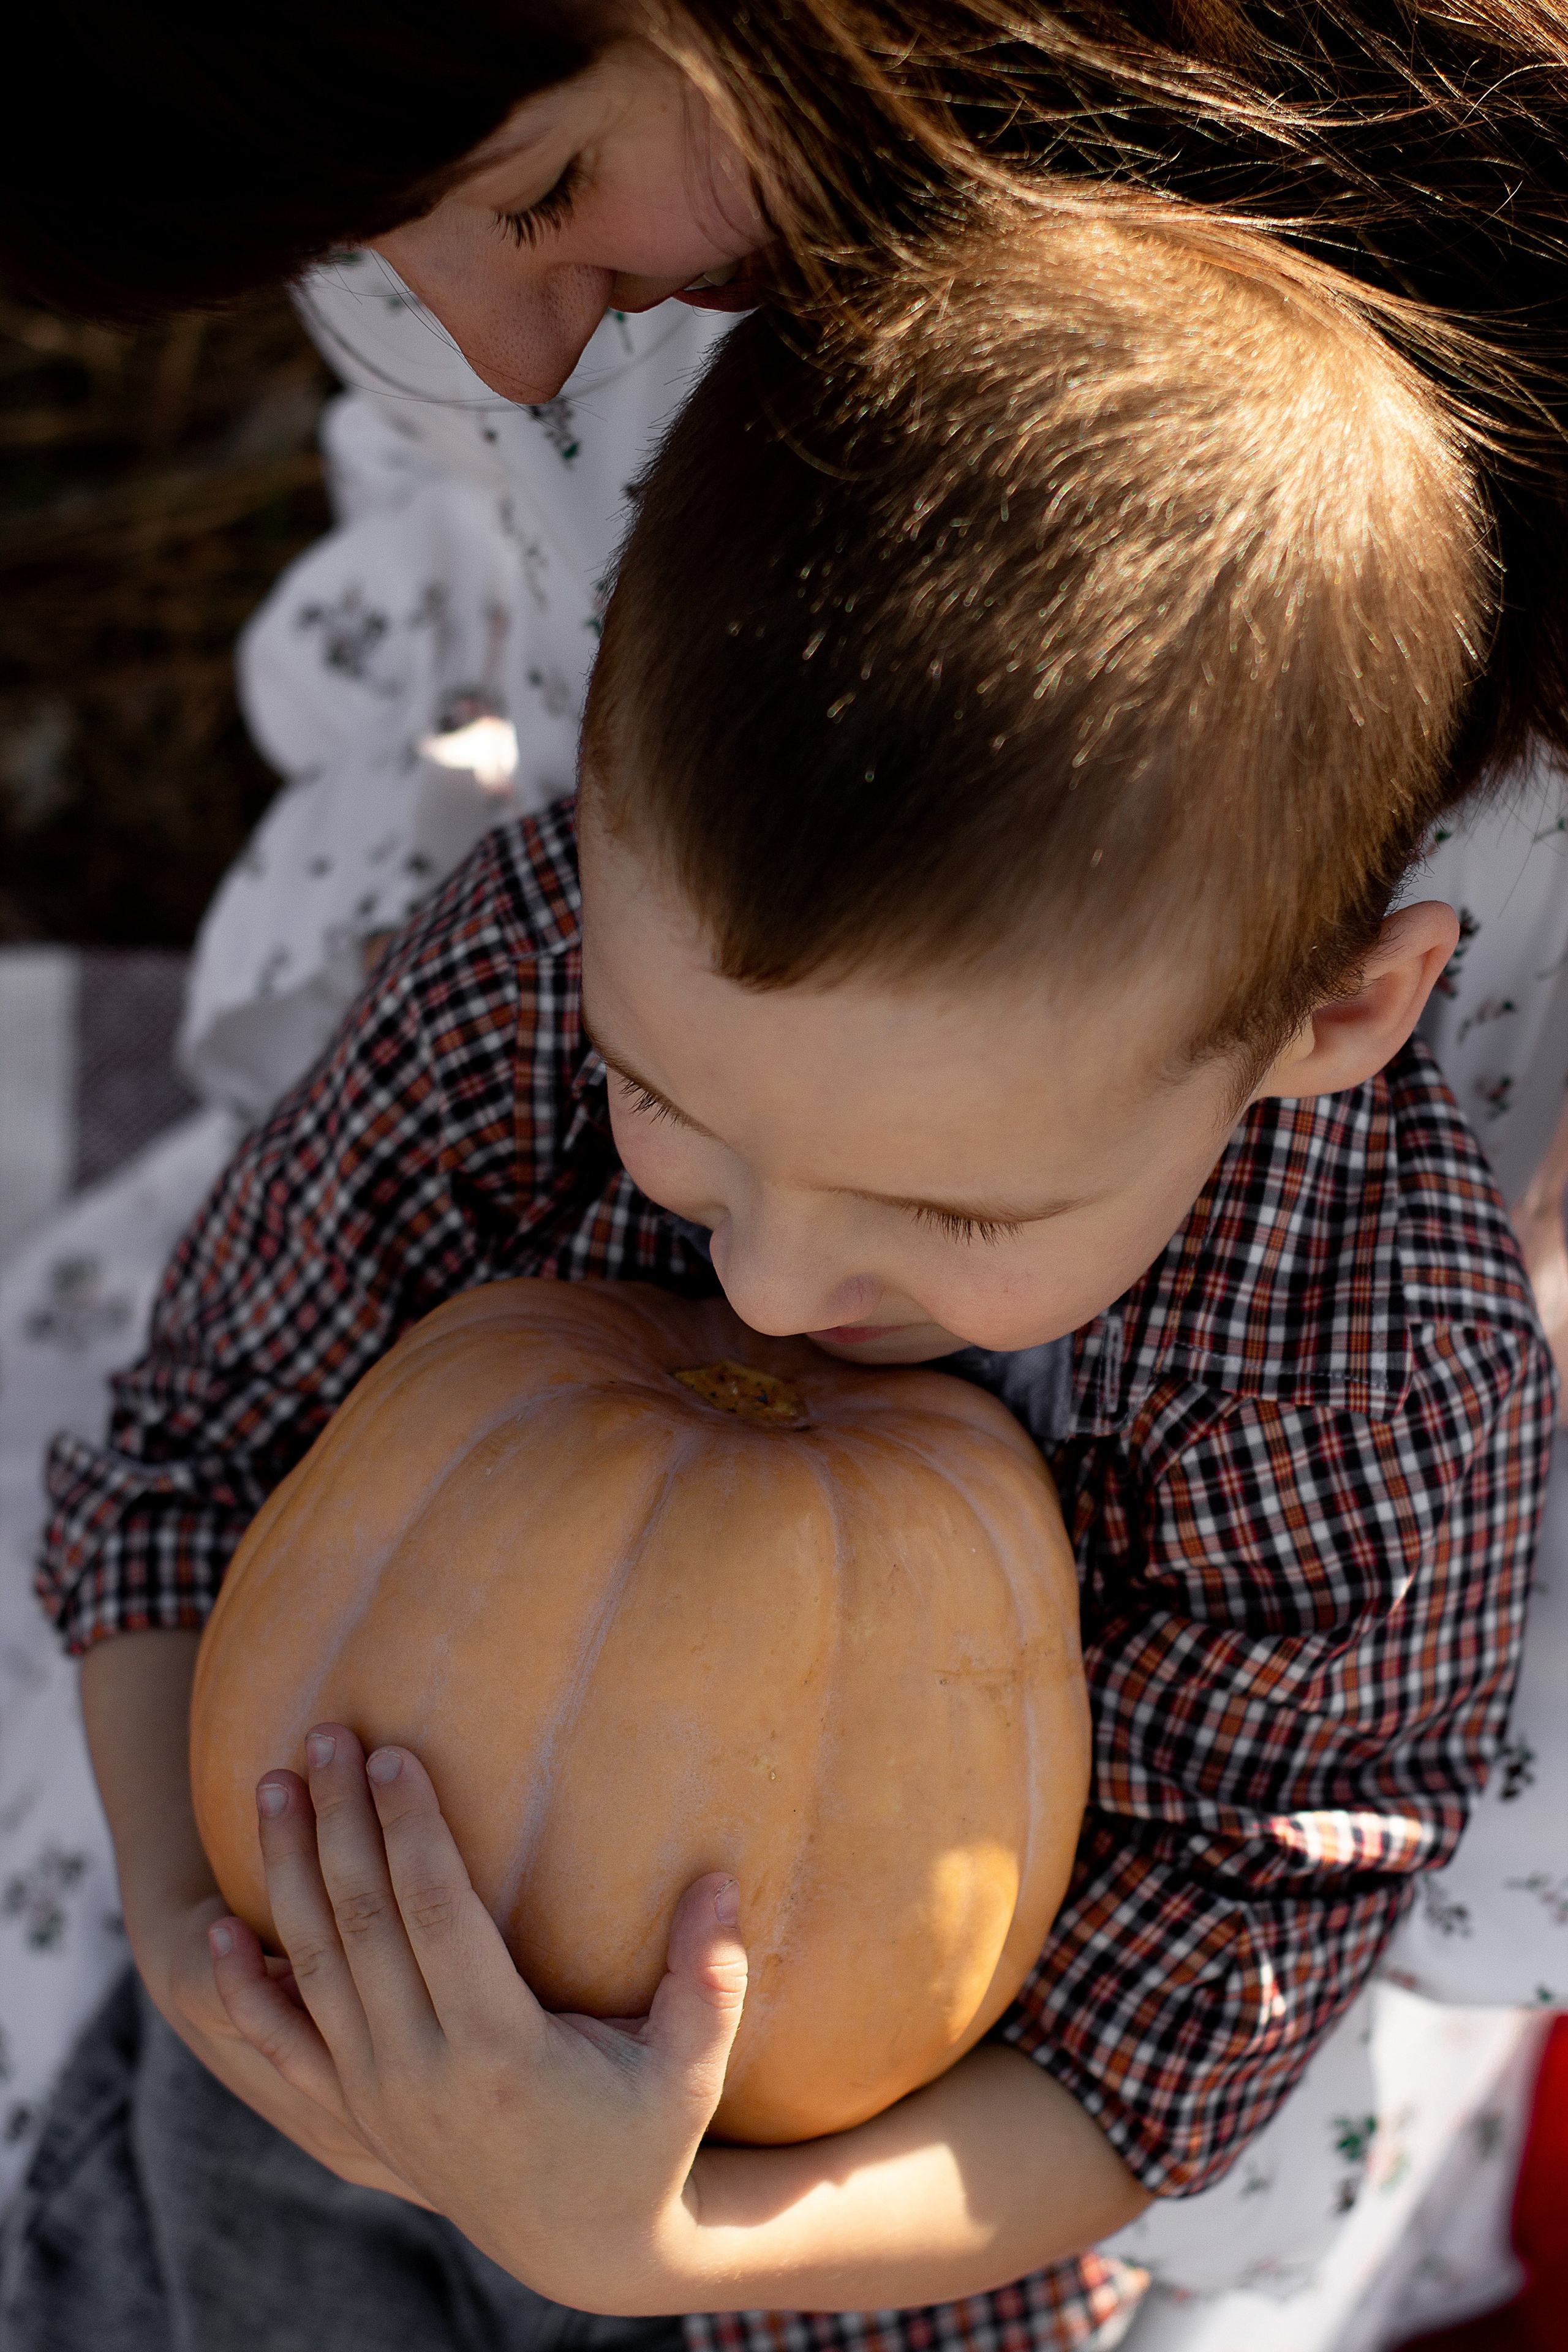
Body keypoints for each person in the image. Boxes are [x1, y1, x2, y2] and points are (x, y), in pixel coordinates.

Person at [9, 198, 1552, 2351]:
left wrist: (650, 2246)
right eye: (674, 1112)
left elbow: (1169, 2038)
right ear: (600, 818)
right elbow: (196, 1459)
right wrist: (196, 1945)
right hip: (306, 2056)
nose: (769, 1275)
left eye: (953, 1216)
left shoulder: (1370, 1376)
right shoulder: (534, 969)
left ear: (1334, 1015)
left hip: (838, 2246)